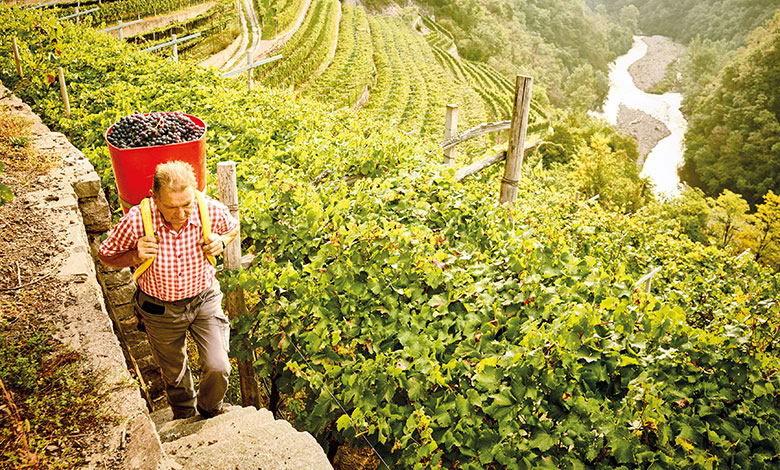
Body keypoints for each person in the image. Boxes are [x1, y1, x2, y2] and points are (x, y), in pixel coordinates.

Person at [98, 161, 239, 419]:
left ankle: (209, 412)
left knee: (218, 366)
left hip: (203, 300)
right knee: (174, 373)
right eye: (171, 207)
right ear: (154, 198)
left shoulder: (207, 209)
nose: (181, 214)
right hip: (159, 310)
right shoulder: (137, 221)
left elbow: (232, 227)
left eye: (186, 204)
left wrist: (221, 240)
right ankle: (184, 416)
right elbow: (105, 254)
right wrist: (133, 256)